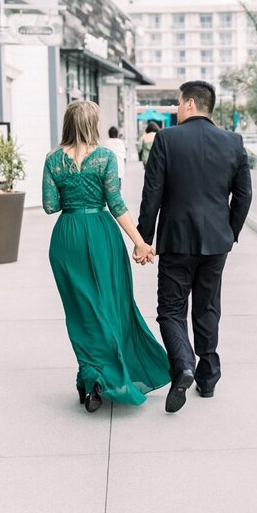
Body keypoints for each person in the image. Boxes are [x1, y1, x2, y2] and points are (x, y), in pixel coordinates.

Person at [43, 100, 170, 413]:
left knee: (81, 312)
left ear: (67, 123)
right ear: (93, 124)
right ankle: (102, 375)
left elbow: (49, 205)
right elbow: (116, 203)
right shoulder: (105, 158)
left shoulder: (53, 159)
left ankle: (89, 375)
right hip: (101, 234)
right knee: (110, 307)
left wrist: (69, 192)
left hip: (67, 237)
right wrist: (140, 243)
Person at [137, 81, 253, 413]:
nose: (175, 109)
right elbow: (243, 195)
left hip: (176, 240)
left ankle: (184, 365)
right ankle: (208, 376)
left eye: (176, 103)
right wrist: (229, 233)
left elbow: (152, 194)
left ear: (189, 103)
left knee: (171, 311)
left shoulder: (167, 139)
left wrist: (145, 239)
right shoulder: (233, 142)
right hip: (216, 241)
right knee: (207, 306)